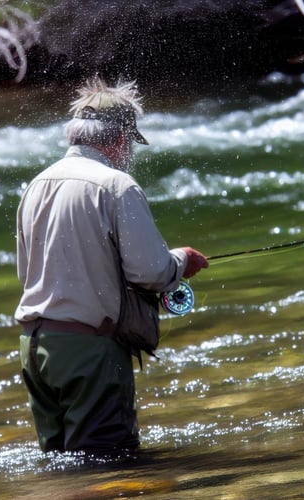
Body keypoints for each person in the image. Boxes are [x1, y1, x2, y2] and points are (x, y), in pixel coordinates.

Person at [15, 78, 209, 453]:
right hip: (90, 352)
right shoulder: (118, 186)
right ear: (119, 140)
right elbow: (150, 272)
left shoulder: (35, 185)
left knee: (61, 467)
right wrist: (183, 261)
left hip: (35, 349)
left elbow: (28, 274)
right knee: (108, 466)